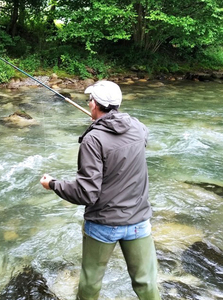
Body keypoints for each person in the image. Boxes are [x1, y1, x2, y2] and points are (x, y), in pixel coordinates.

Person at [40, 80, 161, 300]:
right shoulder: (138, 128)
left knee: (91, 283)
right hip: (139, 221)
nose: (88, 104)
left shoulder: (93, 140)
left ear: (94, 104)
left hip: (103, 224)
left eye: (90, 100)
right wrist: (104, 122)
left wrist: (54, 184)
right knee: (146, 284)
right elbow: (133, 134)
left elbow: (86, 192)